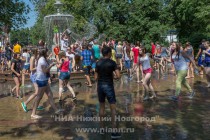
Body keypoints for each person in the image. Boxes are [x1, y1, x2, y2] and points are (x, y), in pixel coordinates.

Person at [95, 46, 121, 139]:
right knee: (113, 108)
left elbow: (95, 78)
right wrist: (113, 76)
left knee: (102, 107)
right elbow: (118, 76)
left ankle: (102, 129)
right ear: (109, 53)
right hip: (109, 87)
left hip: (100, 87)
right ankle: (114, 132)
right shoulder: (112, 63)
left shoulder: (98, 63)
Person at [31, 49, 62, 119]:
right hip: (41, 80)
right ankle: (33, 114)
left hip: (44, 79)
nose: (48, 53)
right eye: (47, 52)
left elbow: (46, 65)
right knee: (39, 97)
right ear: (44, 53)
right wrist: (51, 65)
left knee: (50, 95)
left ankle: (56, 110)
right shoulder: (41, 60)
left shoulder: (43, 59)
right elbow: (44, 71)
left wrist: (52, 62)